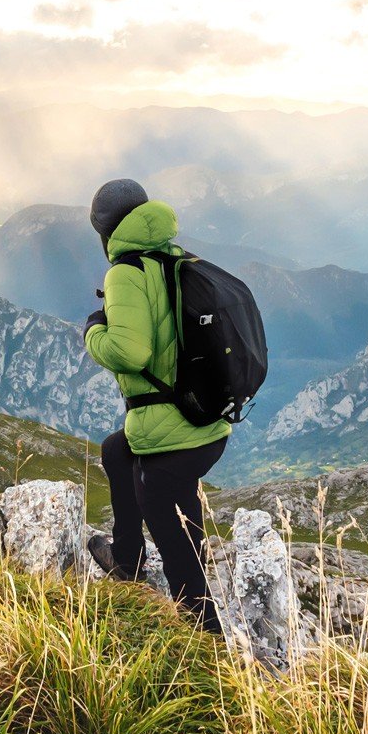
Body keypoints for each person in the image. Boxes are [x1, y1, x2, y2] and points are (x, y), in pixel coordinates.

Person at [81, 177, 227, 633]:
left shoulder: (127, 271)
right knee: (115, 450)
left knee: (176, 543)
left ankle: (206, 644)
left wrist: (93, 330)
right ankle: (126, 560)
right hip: (206, 421)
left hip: (171, 433)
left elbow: (130, 352)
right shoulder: (174, 259)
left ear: (105, 231)